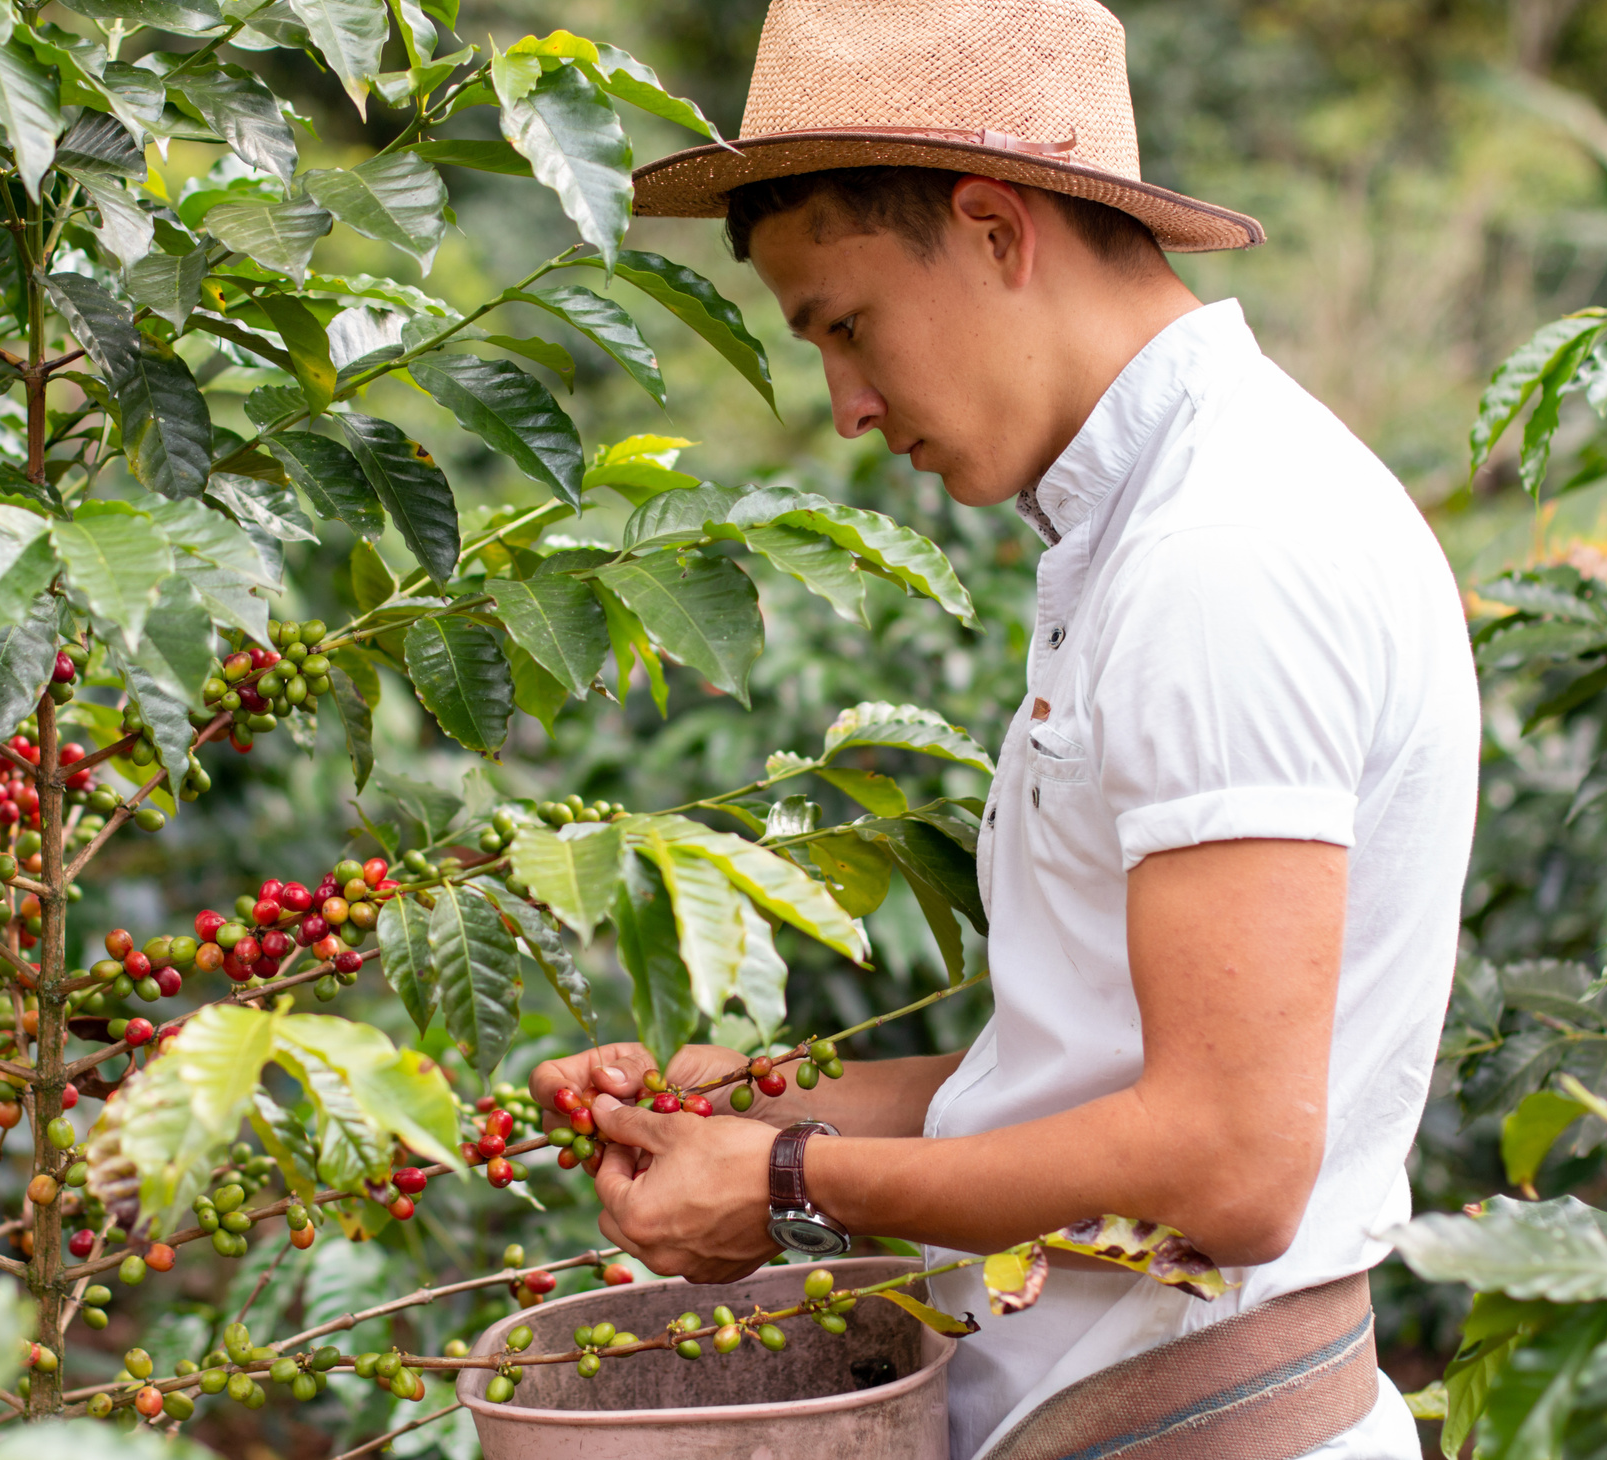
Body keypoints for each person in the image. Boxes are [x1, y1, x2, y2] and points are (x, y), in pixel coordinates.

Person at [527, 2, 1479, 1457]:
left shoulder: (1222, 550)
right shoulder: (1154, 520)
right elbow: (1085, 1080)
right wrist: (755, 1105)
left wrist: (786, 1179)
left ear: (991, 228)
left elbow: (1225, 1168)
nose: (844, 403)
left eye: (845, 325)